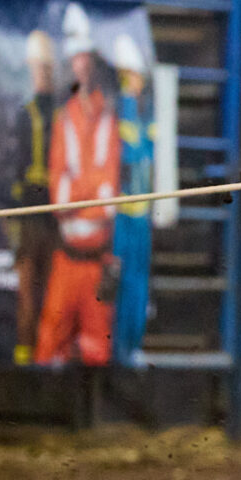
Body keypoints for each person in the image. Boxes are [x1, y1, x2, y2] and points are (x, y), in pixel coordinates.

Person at [35, 3, 118, 366]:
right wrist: (89, 189)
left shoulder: (108, 119)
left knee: (98, 347)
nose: (80, 64)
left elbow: (109, 193)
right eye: (75, 57)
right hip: (67, 257)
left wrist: (80, 190)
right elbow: (60, 194)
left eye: (85, 57)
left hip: (97, 259)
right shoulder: (64, 120)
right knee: (49, 339)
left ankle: (90, 418)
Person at [8, 29, 59, 365]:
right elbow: (15, 165)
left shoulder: (63, 113)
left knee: (53, 288)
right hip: (30, 212)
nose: (39, 71)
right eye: (35, 66)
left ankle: (46, 350)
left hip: (58, 212)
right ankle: (25, 351)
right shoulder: (24, 114)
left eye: (44, 66)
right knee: (26, 287)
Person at [109, 34, 153, 364]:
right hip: (121, 217)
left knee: (136, 283)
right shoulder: (122, 112)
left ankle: (130, 346)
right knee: (121, 282)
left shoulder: (143, 113)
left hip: (141, 217)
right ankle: (120, 349)